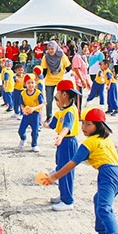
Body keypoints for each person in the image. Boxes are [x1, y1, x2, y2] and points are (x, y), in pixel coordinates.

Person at [43, 107, 118, 234]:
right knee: (98, 199)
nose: (84, 127)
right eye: (83, 123)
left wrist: (54, 176)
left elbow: (71, 163)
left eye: (89, 124)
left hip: (108, 175)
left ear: (98, 126)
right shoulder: (108, 140)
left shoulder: (89, 143)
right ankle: (102, 233)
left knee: (103, 207)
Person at [43, 80, 80, 211]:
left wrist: (61, 135)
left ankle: (68, 201)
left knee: (66, 172)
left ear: (64, 94)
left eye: (58, 93)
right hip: (63, 142)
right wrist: (45, 125)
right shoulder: (63, 111)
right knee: (60, 168)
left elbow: (67, 127)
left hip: (68, 142)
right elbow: (54, 124)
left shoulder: (69, 111)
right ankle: (63, 195)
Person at [41, 41, 72, 123]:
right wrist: (40, 79)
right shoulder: (46, 57)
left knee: (60, 99)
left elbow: (69, 68)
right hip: (49, 81)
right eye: (49, 49)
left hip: (60, 81)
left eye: (52, 49)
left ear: (56, 48)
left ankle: (62, 115)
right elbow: (44, 70)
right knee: (49, 99)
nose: (51, 51)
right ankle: (49, 116)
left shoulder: (62, 56)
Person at [18, 74, 45, 152]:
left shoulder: (38, 93)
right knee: (21, 130)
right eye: (28, 83)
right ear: (25, 84)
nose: (31, 85)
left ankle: (34, 144)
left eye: (32, 82)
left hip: (35, 115)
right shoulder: (23, 93)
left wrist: (34, 108)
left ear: (35, 83)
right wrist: (23, 109)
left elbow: (42, 104)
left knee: (35, 132)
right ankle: (23, 139)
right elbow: (22, 104)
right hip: (26, 115)